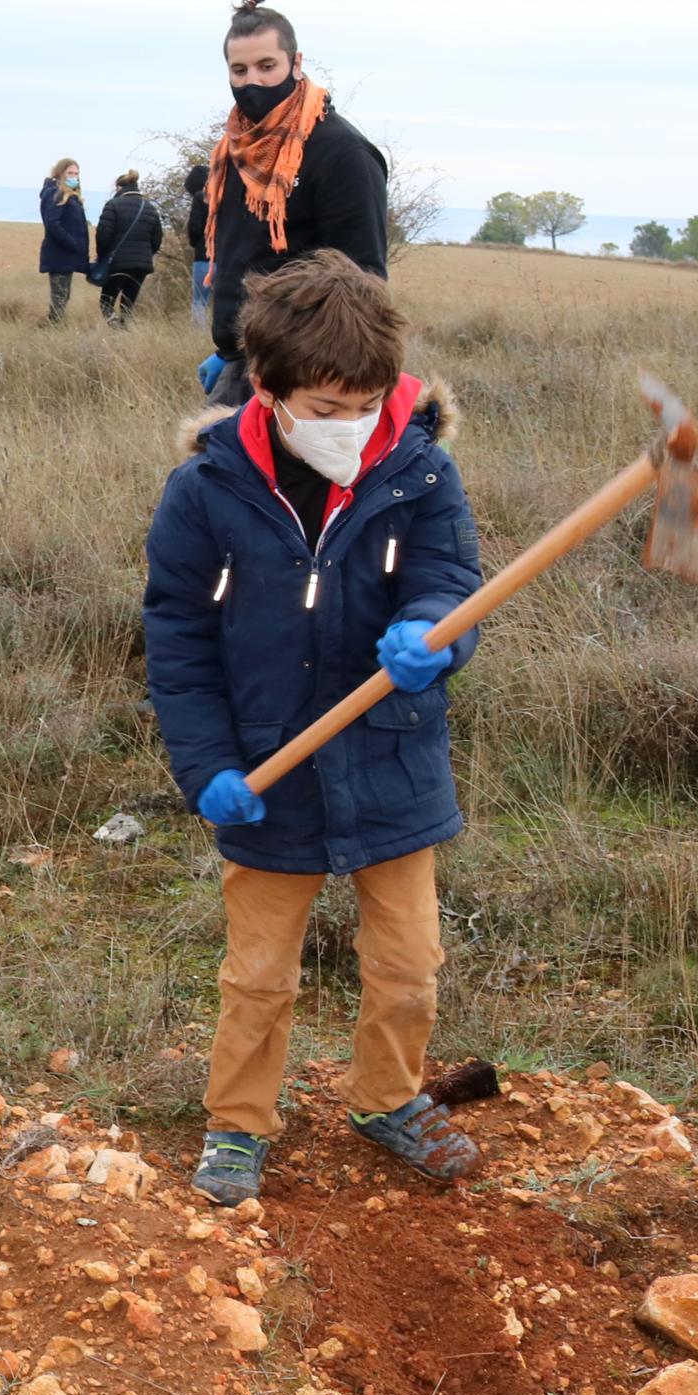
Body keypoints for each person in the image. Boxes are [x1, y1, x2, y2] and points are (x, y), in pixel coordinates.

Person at [139, 251, 483, 1207]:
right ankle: (238, 1125)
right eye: (326, 410)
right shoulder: (206, 491)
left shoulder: (419, 472)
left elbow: (450, 579)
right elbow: (177, 633)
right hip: (265, 767)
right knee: (258, 973)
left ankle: (388, 1101)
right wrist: (206, 761)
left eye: (366, 403)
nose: (351, 427)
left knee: (410, 963)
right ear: (272, 390)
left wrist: (435, 636)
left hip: (392, 759)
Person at [202, 0, 390, 400]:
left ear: (296, 63)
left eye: (267, 66)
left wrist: (329, 390)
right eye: (239, 70)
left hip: (306, 372)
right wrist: (226, 349)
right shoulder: (235, 150)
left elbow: (365, 280)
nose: (252, 81)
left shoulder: (342, 152)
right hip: (240, 365)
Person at [94, 169, 164, 325]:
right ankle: (125, 332)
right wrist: (146, 254)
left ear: (118, 188)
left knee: (106, 303)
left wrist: (102, 256)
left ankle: (116, 331)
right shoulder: (150, 208)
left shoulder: (112, 205)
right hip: (142, 265)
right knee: (128, 305)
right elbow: (157, 239)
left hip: (117, 263)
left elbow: (103, 235)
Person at [38, 157, 94, 323]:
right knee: (59, 298)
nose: (73, 176)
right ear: (60, 173)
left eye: (76, 173)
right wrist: (72, 243)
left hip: (68, 256)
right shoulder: (54, 194)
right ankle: (50, 330)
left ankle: (52, 327)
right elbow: (52, 224)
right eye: (70, 173)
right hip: (59, 254)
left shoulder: (72, 195)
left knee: (63, 297)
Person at [185, 162, 215, 325]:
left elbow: (195, 227)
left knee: (199, 300)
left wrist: (195, 242)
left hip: (204, 256)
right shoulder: (226, 195)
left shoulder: (199, 197)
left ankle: (198, 335)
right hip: (226, 257)